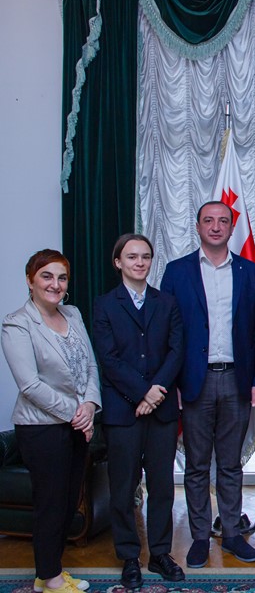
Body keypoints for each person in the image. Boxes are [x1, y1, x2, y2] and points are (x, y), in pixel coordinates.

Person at [161, 201, 255, 566]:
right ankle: (199, 537)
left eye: (223, 220)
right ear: (198, 227)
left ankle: (233, 534)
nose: (216, 226)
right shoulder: (177, 272)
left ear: (231, 228)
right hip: (194, 382)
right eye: (208, 220)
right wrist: (172, 382)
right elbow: (167, 332)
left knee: (230, 464)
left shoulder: (248, 271)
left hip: (238, 380)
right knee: (196, 465)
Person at [1, 250, 100, 593]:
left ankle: (49, 572)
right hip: (41, 428)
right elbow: (29, 385)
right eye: (46, 276)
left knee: (69, 501)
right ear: (30, 280)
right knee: (51, 503)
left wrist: (90, 405)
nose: (55, 284)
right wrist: (77, 413)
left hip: (77, 424)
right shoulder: (17, 323)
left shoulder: (73, 313)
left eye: (61, 278)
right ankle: (51, 578)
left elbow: (90, 365)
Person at [93, 234, 185, 588]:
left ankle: (160, 553)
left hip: (161, 411)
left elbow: (176, 351)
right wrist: (142, 392)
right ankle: (129, 556)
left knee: (162, 487)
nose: (140, 262)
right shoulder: (105, 305)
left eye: (145, 256)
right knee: (123, 489)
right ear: (118, 262)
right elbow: (108, 358)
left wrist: (155, 392)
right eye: (132, 257)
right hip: (123, 412)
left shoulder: (168, 302)